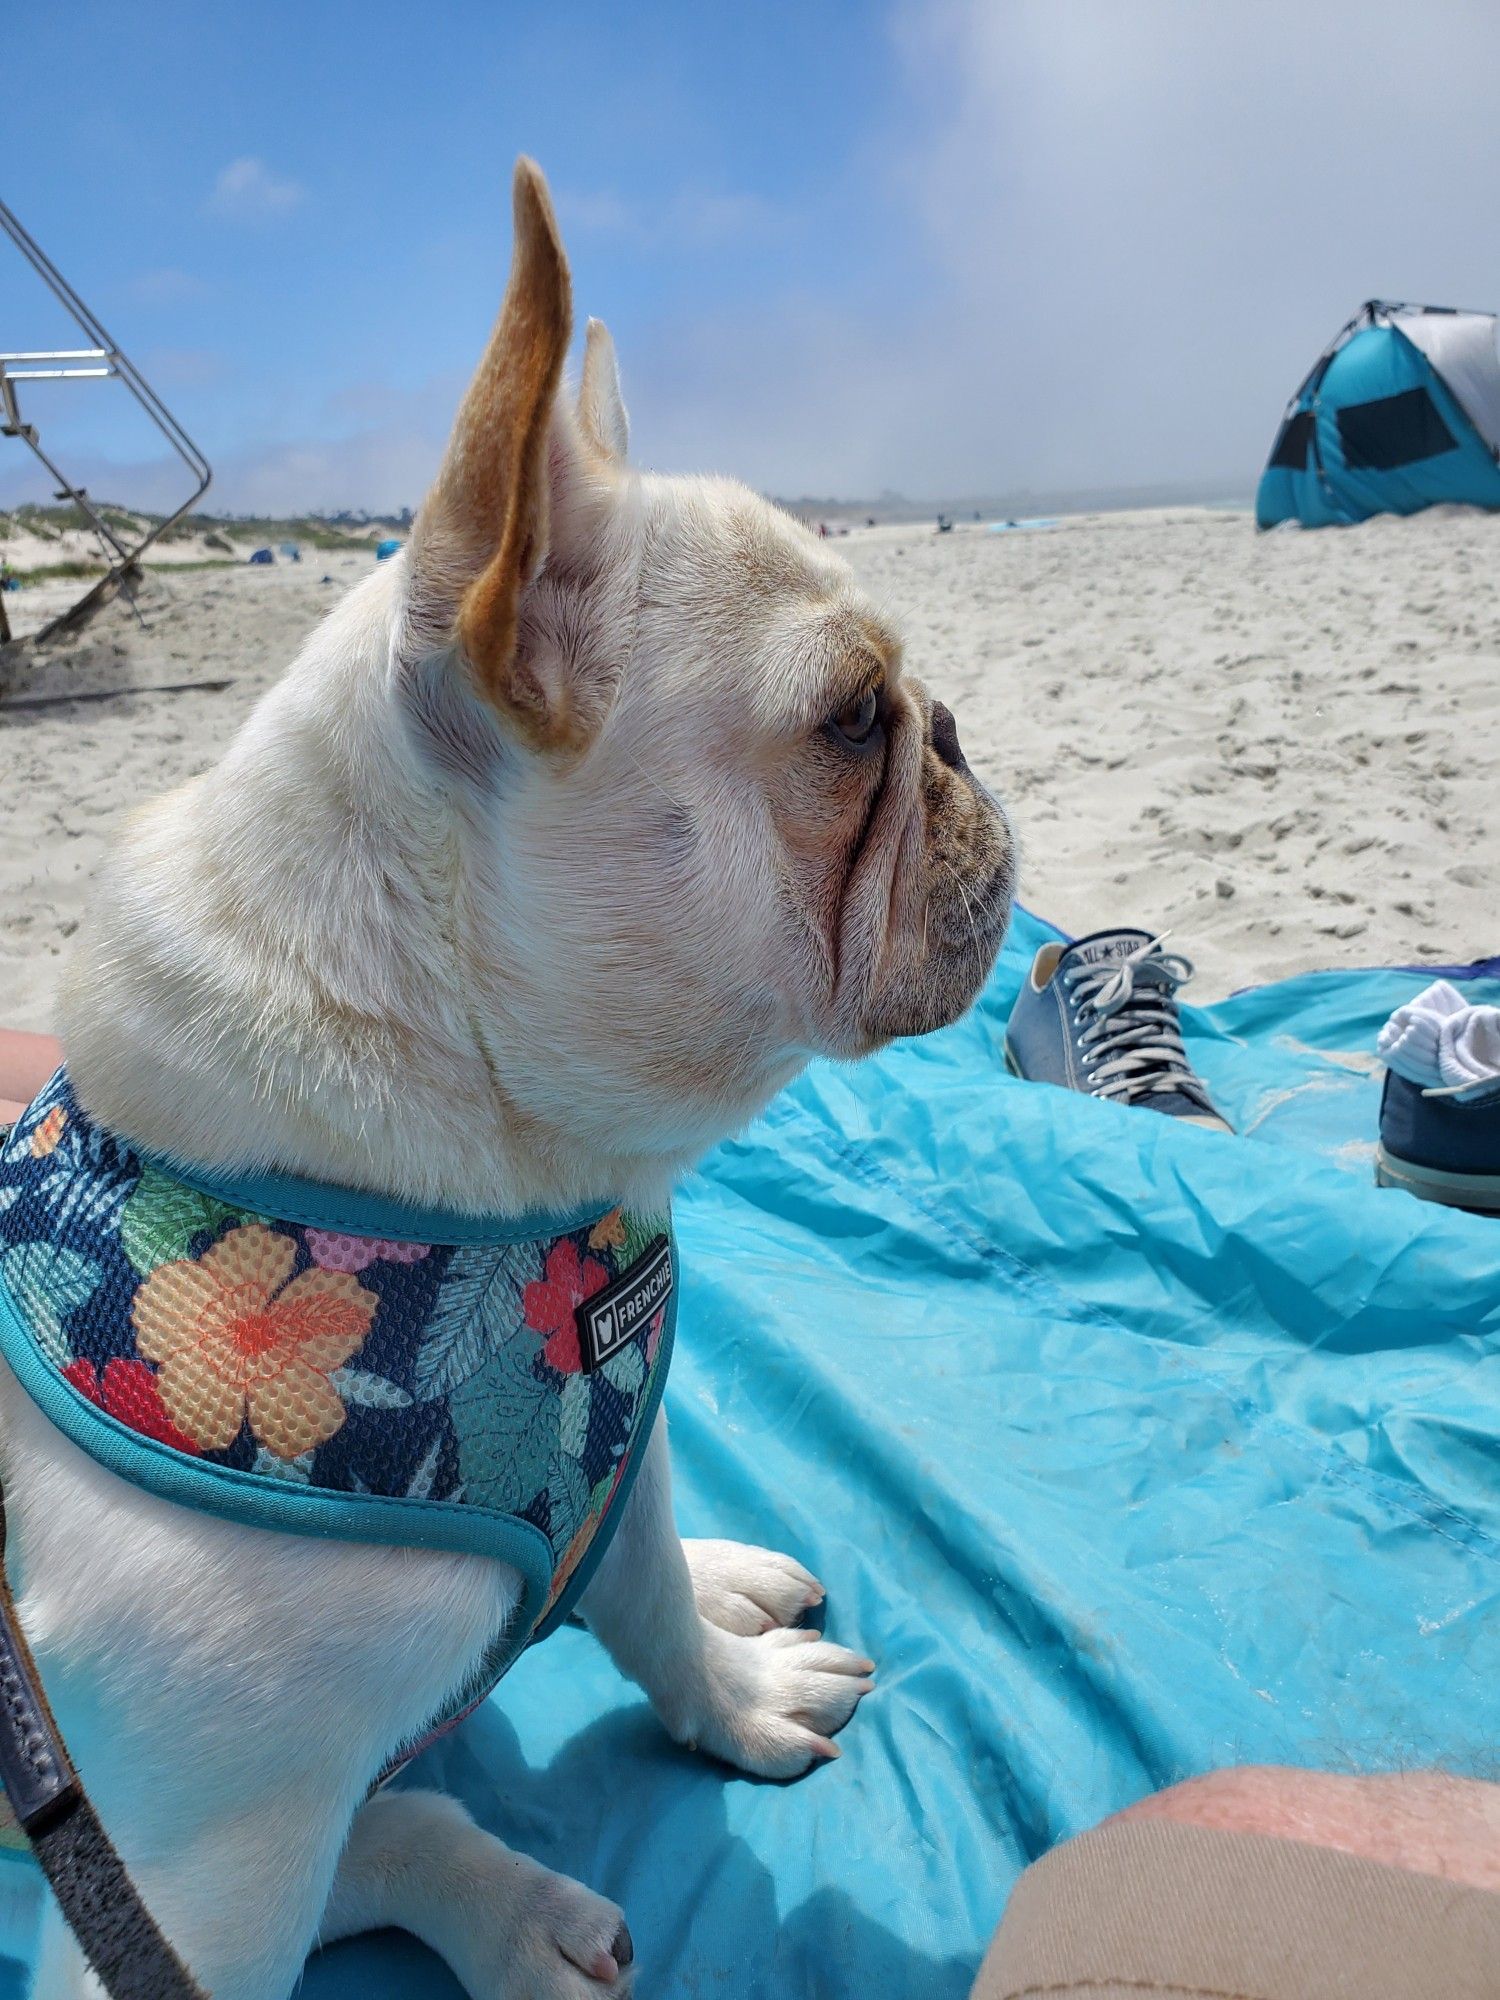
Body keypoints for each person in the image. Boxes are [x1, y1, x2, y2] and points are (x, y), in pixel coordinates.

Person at [3, 1035, 1494, 1995]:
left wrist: (672, 1652)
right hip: (115, 1770)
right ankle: (388, 1852)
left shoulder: (537, 1141)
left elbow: (601, 1373)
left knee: (567, 1337)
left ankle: (562, 1616)